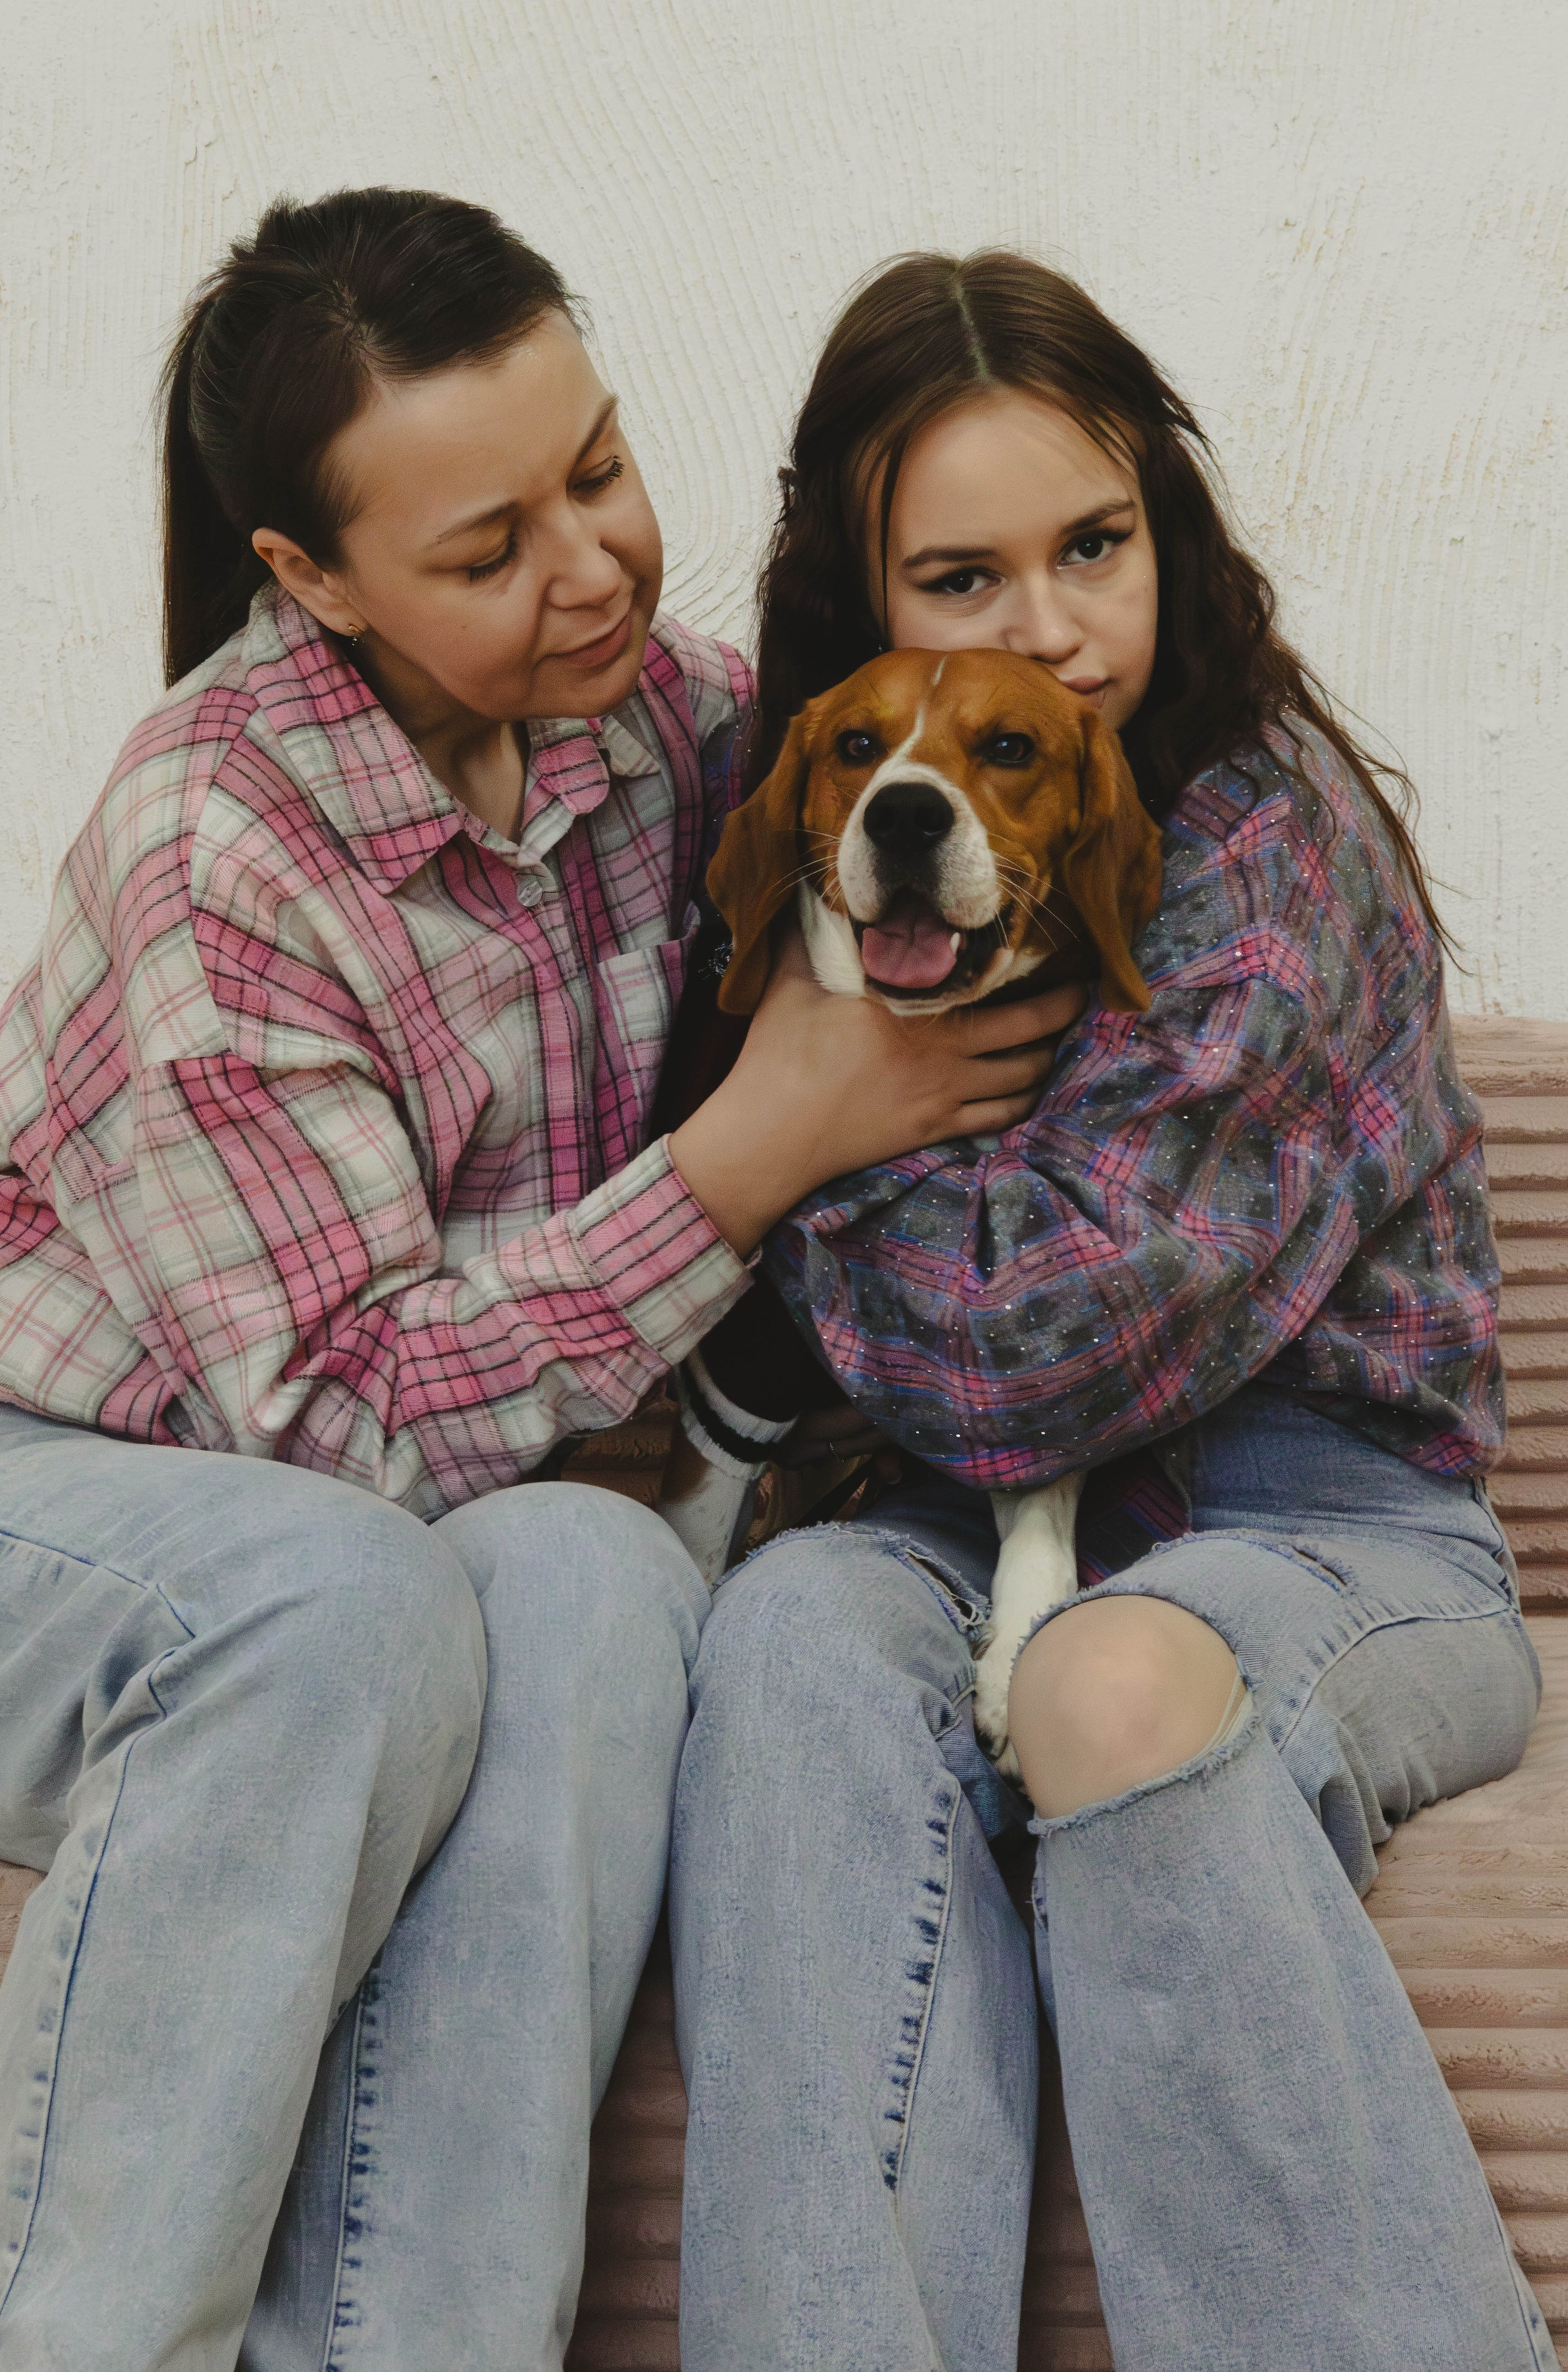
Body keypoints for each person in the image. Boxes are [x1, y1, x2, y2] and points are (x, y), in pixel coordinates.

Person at [0, 194, 1073, 2372]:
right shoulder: (220, 837)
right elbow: (334, 1438)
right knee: (343, 1589)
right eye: (487, 549)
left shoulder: (670, 729)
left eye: (600, 470)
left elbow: (990, 770)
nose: (588, 566)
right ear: (311, 577)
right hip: (17, 1528)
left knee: (606, 1583)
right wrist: (761, 1142)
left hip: (425, 1555)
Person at [668, 250, 1557, 2371]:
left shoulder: (1267, 851)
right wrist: (791, 1102)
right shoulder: (838, 805)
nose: (1052, 626)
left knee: (1102, 1681)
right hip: (944, 1528)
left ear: (1167, 522)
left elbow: (1040, 1340)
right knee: (785, 1645)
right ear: (859, 593)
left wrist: (798, 1130)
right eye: (960, 578)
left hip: (1332, 1529)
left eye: (1094, 544)